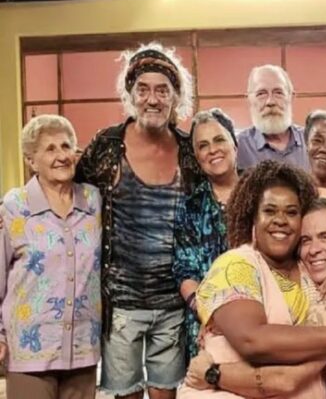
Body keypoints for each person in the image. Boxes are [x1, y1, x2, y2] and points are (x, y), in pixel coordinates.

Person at [176, 160, 326, 399]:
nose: (280, 219)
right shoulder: (237, 264)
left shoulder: (308, 261)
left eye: (291, 212)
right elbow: (252, 340)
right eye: (269, 211)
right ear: (253, 219)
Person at [74, 42, 202, 399]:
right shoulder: (108, 144)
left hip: (174, 301)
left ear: (176, 97)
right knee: (126, 394)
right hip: (121, 302)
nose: (152, 99)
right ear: (130, 94)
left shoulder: (189, 149)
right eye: (143, 89)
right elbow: (71, 194)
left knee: (166, 395)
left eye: (163, 90)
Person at [0, 115, 102, 399]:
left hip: (83, 349)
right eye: (50, 149)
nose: (62, 156)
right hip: (29, 351)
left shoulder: (94, 201)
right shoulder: (13, 207)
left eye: (66, 146)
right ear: (31, 161)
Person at [173, 108, 240, 362]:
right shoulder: (190, 206)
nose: (212, 150)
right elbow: (185, 272)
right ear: (197, 157)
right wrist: (211, 316)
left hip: (262, 320)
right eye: (203, 145)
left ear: (235, 144)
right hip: (207, 326)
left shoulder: (262, 194)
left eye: (219, 139)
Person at [236, 64, 310, 171]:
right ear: (249, 99)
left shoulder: (311, 141)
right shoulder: (237, 148)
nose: (270, 102)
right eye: (261, 94)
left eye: (278, 93)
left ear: (291, 97)